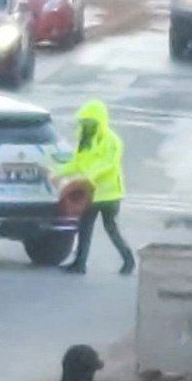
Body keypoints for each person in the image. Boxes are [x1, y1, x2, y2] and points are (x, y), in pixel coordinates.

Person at [57, 99, 135, 275]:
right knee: (84, 229)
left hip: (109, 195)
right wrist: (58, 172)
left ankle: (128, 259)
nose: (86, 126)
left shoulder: (112, 141)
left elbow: (108, 163)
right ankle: (80, 264)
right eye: (84, 122)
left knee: (111, 229)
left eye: (90, 123)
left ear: (99, 122)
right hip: (90, 195)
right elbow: (76, 163)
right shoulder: (85, 140)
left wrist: (90, 176)